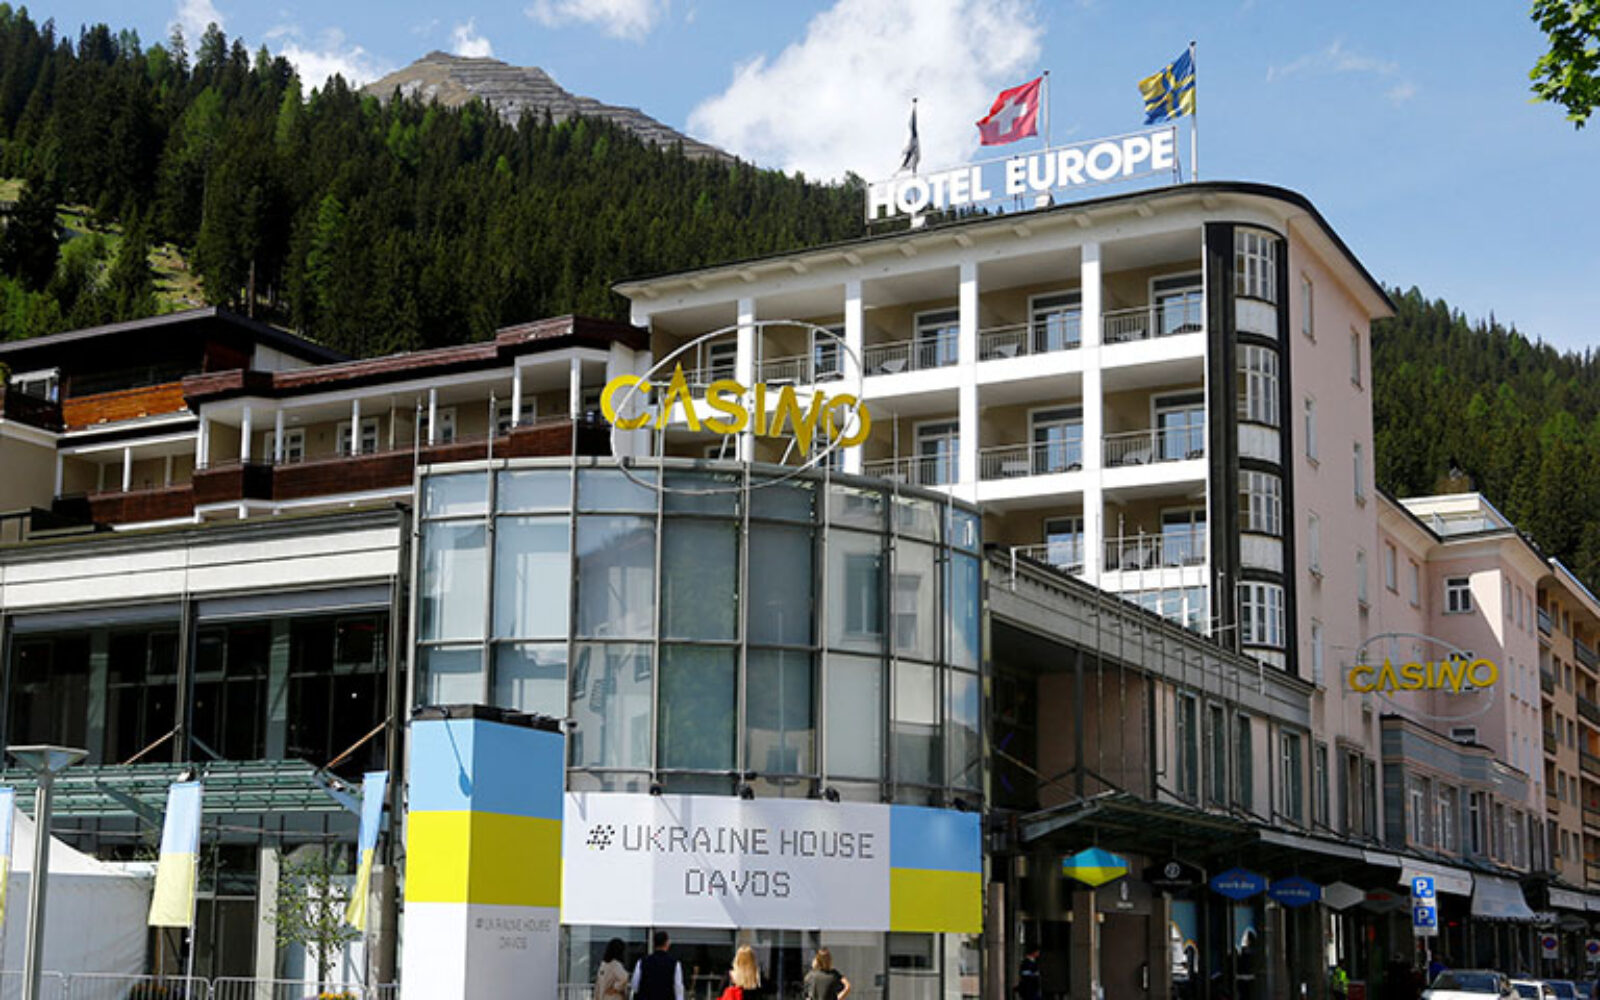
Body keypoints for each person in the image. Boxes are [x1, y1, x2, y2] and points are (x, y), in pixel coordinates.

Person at [633, 931, 686, 1000]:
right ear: (667, 943)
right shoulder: (675, 963)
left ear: (654, 943)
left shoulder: (642, 962)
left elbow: (635, 986)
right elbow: (678, 988)